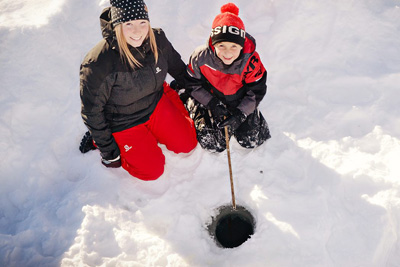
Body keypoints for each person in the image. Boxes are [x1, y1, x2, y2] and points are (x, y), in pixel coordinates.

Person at [79, 0, 197, 180]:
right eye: (129, 24)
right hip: (122, 120)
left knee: (187, 144)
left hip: (154, 101)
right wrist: (109, 151)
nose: (137, 31)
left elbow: (181, 72)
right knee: (152, 172)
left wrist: (210, 97)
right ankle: (97, 139)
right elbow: (91, 111)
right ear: (118, 25)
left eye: (142, 22)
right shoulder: (98, 63)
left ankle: (162, 112)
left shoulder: (157, 39)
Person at [184, 3, 271, 153]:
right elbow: (192, 84)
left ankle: (247, 114)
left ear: (242, 45)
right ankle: (195, 107)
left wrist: (241, 112)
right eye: (221, 46)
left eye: (233, 47)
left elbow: (256, 91)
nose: (227, 53)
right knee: (214, 144)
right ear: (213, 43)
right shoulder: (200, 57)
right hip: (211, 97)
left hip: (238, 98)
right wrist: (211, 103)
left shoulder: (251, 61)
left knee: (252, 140)